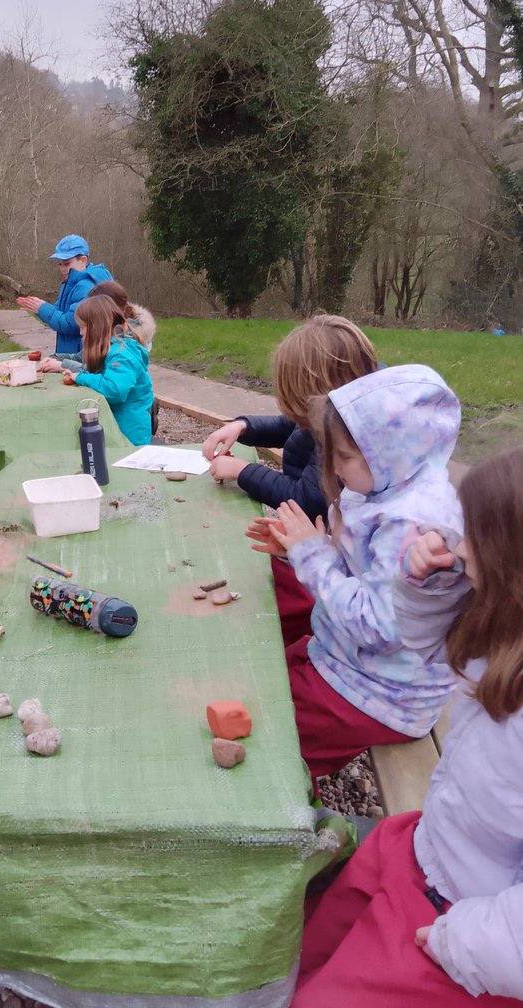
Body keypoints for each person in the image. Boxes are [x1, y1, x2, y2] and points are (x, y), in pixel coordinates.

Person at [292, 449, 523, 1007]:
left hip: (469, 931)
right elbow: (426, 650)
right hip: (432, 848)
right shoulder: (505, 633)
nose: (458, 546)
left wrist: (462, 944)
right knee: (303, 946)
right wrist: (427, 588)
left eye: (475, 540)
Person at [254, 365, 463, 779]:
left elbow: (378, 627)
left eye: (344, 457)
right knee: (259, 675)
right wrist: (302, 551)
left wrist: (312, 556)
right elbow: (363, 571)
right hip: (346, 656)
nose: (333, 470)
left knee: (264, 745)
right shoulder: (388, 483)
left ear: (389, 450)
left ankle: (278, 826)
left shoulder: (411, 523)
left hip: (382, 691)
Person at [204, 315, 379, 646]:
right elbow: (292, 425)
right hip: (315, 544)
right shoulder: (337, 407)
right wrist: (243, 426)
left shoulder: (349, 439)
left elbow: (307, 499)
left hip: (322, 547)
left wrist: (242, 471)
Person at [59, 295, 153, 445]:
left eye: (83, 327)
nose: (81, 333)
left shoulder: (121, 355)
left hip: (129, 435)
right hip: (119, 426)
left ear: (96, 327)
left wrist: (81, 378)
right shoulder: (112, 350)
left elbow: (114, 390)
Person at [16, 235, 112, 355]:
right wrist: (38, 307)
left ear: (83, 261)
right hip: (69, 353)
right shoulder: (70, 282)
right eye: (59, 264)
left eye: (66, 264)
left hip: (80, 357)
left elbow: (70, 324)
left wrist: (42, 308)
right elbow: (58, 311)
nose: (62, 268)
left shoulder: (86, 287)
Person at [38, 280, 157, 373]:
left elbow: (102, 375)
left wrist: (63, 366)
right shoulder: (107, 334)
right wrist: (55, 358)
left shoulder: (124, 343)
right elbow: (82, 358)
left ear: (104, 313)